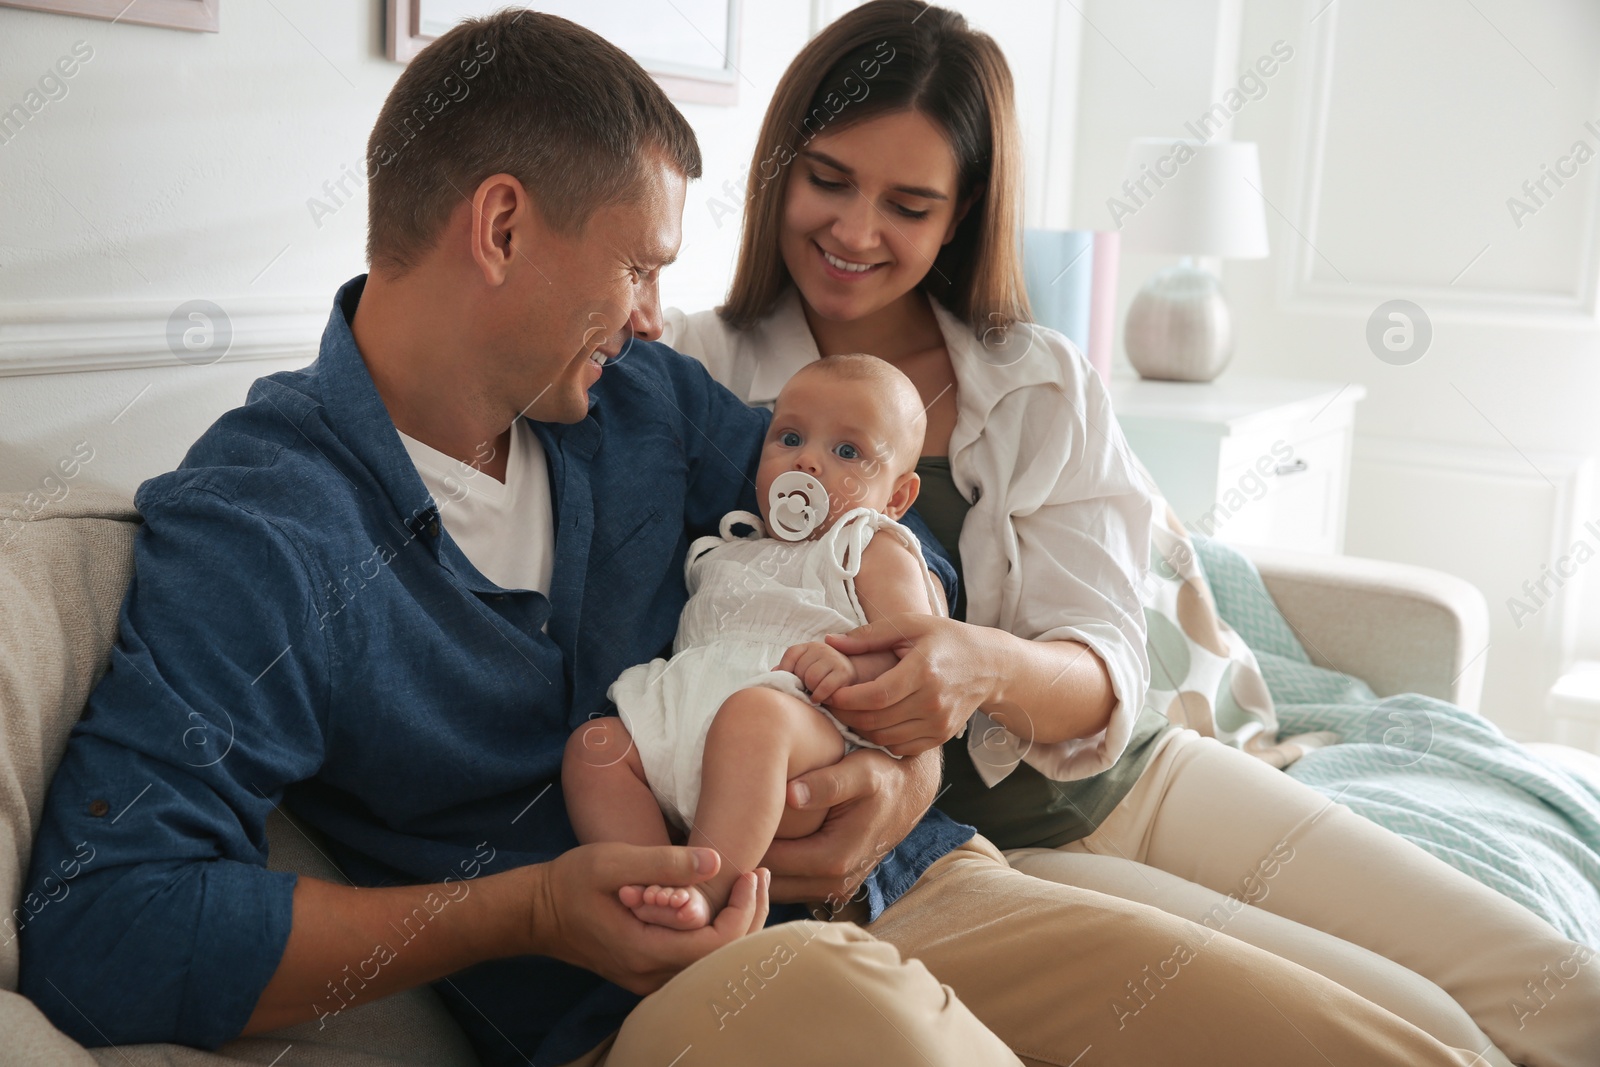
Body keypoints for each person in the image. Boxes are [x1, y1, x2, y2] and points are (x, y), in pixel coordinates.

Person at [15, 10, 1512, 1067]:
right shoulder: (264, 524)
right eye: (640, 267)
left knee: (1408, 1042)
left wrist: (899, 762)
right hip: (659, 1000)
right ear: (501, 228)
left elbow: (879, 555)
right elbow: (104, 922)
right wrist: (527, 906)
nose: (665, 313)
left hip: (922, 875)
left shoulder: (643, 406)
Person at [661, 3, 1600, 1067]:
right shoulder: (697, 376)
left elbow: (1105, 662)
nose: (855, 230)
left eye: (908, 203)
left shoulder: (1037, 379)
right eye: (828, 178)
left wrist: (979, 666)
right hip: (982, 846)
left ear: (962, 214)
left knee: (1553, 991)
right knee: (1423, 1037)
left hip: (1137, 776)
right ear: (782, 164)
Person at [565, 354, 944, 930]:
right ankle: (648, 884)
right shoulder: (731, 543)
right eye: (789, 438)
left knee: (756, 717)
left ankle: (707, 896)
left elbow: (916, 656)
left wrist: (852, 670)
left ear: (896, 498)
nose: (808, 460)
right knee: (596, 747)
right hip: (682, 728)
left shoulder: (867, 546)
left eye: (848, 452)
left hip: (798, 743)